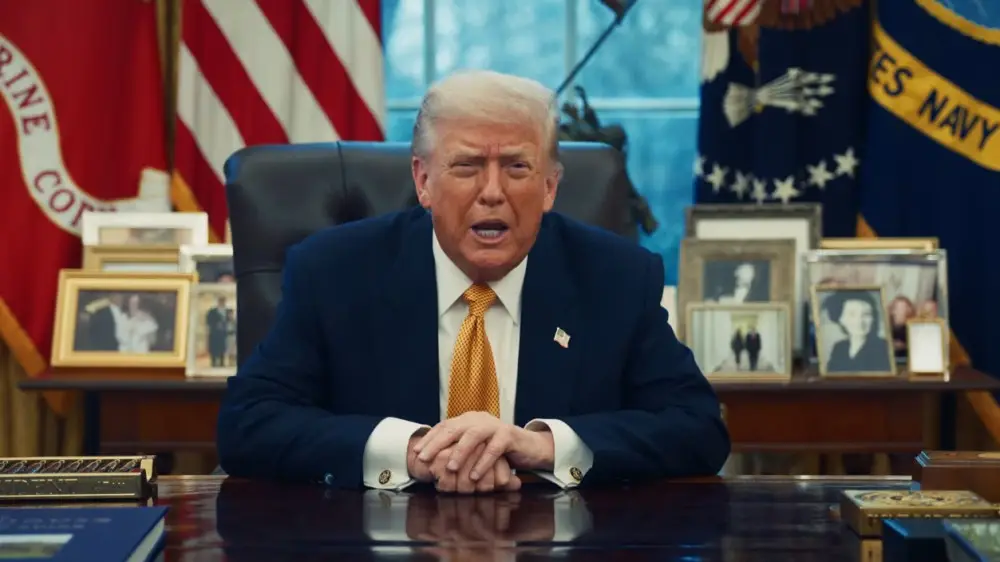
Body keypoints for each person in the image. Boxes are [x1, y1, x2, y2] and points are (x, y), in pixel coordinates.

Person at [216, 70, 730, 493]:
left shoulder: (615, 277)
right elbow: (248, 423)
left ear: (550, 186)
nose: (492, 192)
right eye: (467, 166)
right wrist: (411, 452)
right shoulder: (334, 272)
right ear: (423, 181)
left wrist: (544, 446)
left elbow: (698, 427)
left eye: (517, 167)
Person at [823, 291, 893, 373]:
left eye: (866, 314)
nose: (859, 321)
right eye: (852, 314)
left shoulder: (883, 347)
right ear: (841, 319)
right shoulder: (839, 348)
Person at [206, 296, 230, 367]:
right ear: (218, 302)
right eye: (221, 301)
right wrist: (216, 324)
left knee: (222, 348)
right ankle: (213, 362)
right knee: (214, 347)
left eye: (223, 301)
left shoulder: (227, 311)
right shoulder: (212, 311)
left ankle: (222, 362)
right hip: (214, 333)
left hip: (223, 333)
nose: (222, 303)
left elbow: (230, 321)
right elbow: (208, 321)